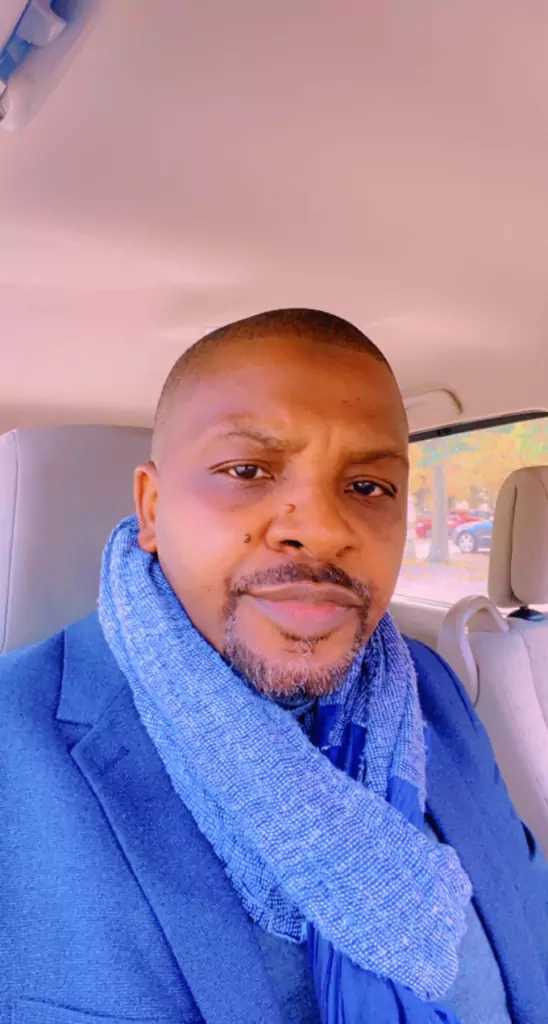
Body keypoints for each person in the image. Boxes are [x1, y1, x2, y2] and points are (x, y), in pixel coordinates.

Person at [1, 309, 547, 1024]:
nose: (319, 530)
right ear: (152, 509)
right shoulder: (15, 742)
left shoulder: (433, 687)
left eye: (368, 487)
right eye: (247, 471)